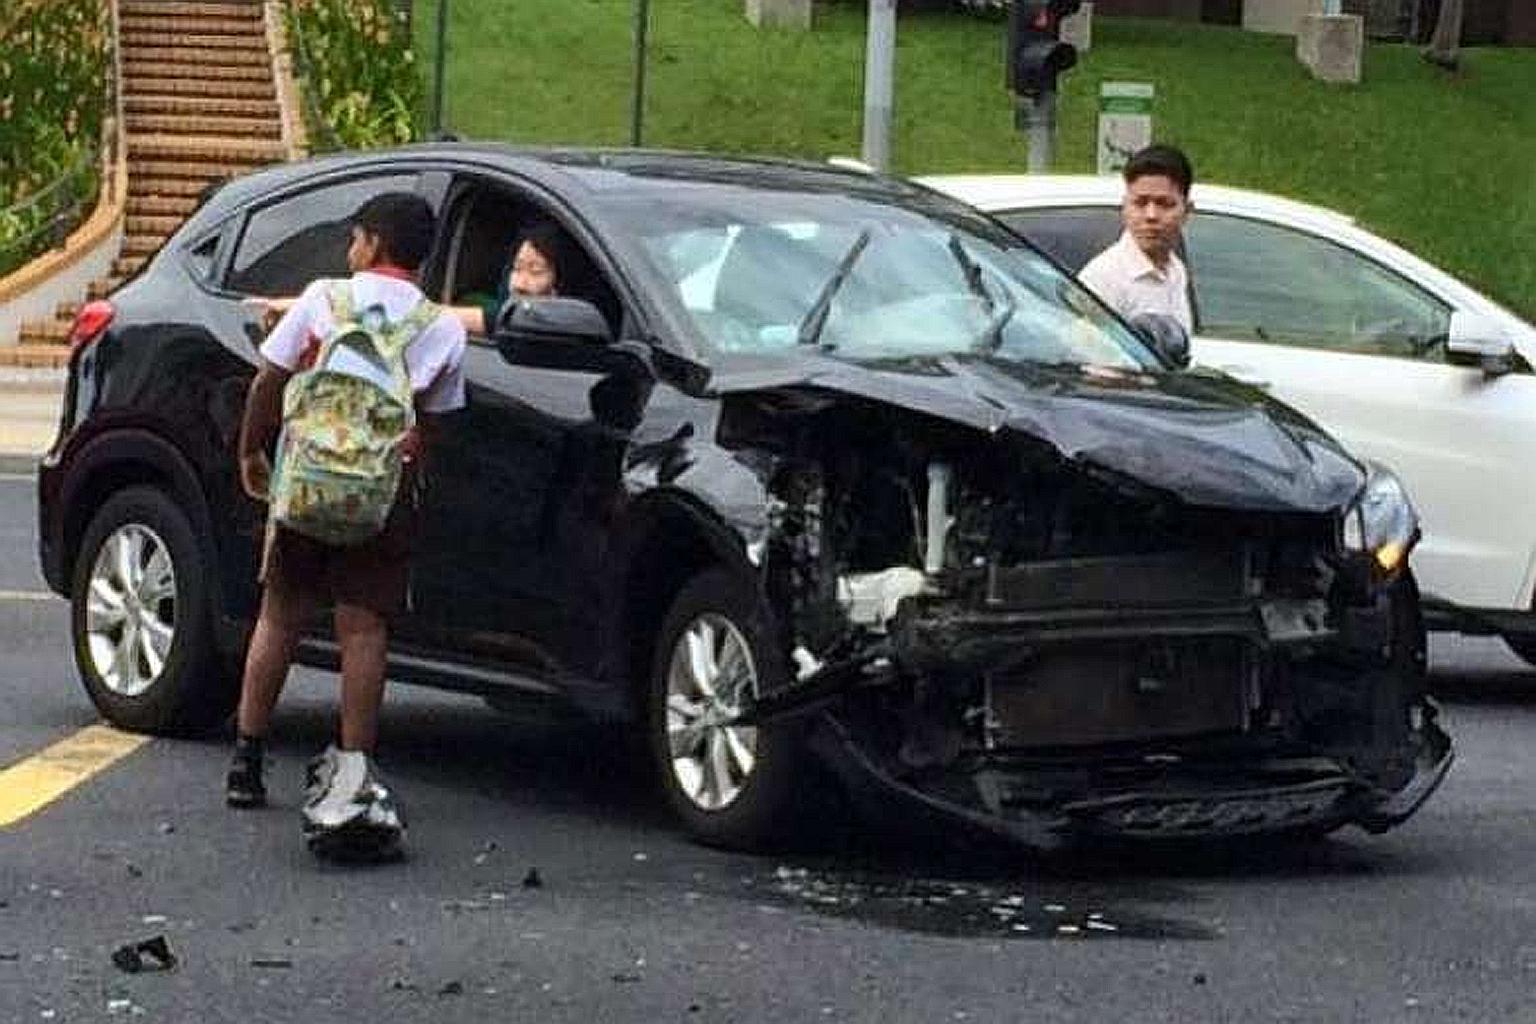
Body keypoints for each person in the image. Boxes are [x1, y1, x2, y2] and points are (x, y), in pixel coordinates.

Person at [225, 192, 467, 859]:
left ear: (372, 243)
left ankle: (247, 757)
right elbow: (436, 421)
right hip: (376, 495)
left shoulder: (323, 300)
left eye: (356, 239)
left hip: (305, 480)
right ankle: (356, 761)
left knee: (279, 613)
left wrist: (253, 449)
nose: (350, 250)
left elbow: (268, 380)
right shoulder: (440, 327)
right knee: (362, 626)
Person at [246, 220, 569, 336]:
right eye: (516, 269)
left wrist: (302, 305)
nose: (521, 283)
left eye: (536, 271)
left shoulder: (566, 324)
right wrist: (298, 305)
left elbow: (412, 314)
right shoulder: (496, 312)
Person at [1078, 144, 1196, 333]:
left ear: (1187, 211)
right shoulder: (1104, 278)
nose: (1151, 215)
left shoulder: (1176, 271)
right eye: (1140, 203)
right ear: (1125, 207)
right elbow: (1089, 356)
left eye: (1164, 204)